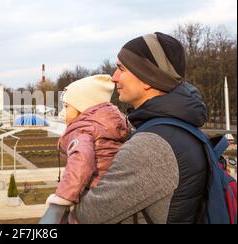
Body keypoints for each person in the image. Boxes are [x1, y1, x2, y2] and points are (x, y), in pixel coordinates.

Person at [73, 32, 209, 224]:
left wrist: (74, 177)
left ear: (147, 78)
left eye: (121, 68)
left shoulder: (152, 145)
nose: (114, 77)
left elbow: (89, 215)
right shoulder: (180, 128)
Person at [45, 74, 129, 223]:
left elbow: (81, 160)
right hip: (110, 194)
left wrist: (62, 198)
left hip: (91, 196)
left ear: (82, 108)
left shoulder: (83, 130)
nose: (61, 113)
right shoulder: (107, 125)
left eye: (66, 106)